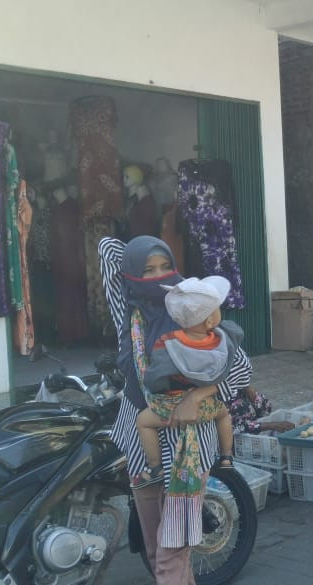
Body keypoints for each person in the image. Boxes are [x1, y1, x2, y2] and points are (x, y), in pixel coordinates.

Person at [99, 235, 252, 585]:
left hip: (188, 448)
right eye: (148, 269)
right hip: (142, 447)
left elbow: (241, 370)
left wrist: (195, 398)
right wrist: (139, 255)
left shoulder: (189, 309)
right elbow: (108, 247)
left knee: (172, 554)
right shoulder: (130, 312)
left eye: (166, 266)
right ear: (132, 276)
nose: (159, 276)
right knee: (157, 554)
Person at [136, 276, 242, 487]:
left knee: (143, 421)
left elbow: (156, 378)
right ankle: (227, 456)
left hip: (171, 408)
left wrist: (161, 391)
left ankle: (155, 466)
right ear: (210, 321)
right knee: (224, 415)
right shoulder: (222, 340)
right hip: (208, 407)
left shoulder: (168, 343)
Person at [228, 385, 294, 435]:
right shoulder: (223, 400)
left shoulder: (241, 389)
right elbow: (235, 428)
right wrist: (271, 425)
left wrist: (252, 394)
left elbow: (267, 409)